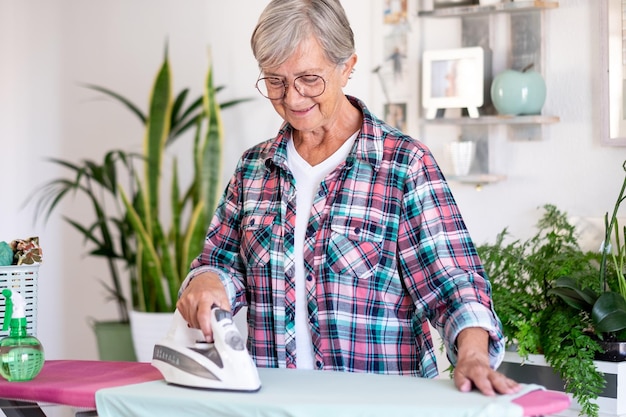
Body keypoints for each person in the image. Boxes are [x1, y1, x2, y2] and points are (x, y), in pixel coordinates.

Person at [177, 0, 520, 397]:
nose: (292, 98)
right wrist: (207, 281)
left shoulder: (403, 165)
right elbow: (221, 264)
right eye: (275, 81)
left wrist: (473, 354)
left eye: (309, 78)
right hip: (273, 402)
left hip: (383, 404)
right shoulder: (254, 168)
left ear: (347, 66)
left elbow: (454, 285)